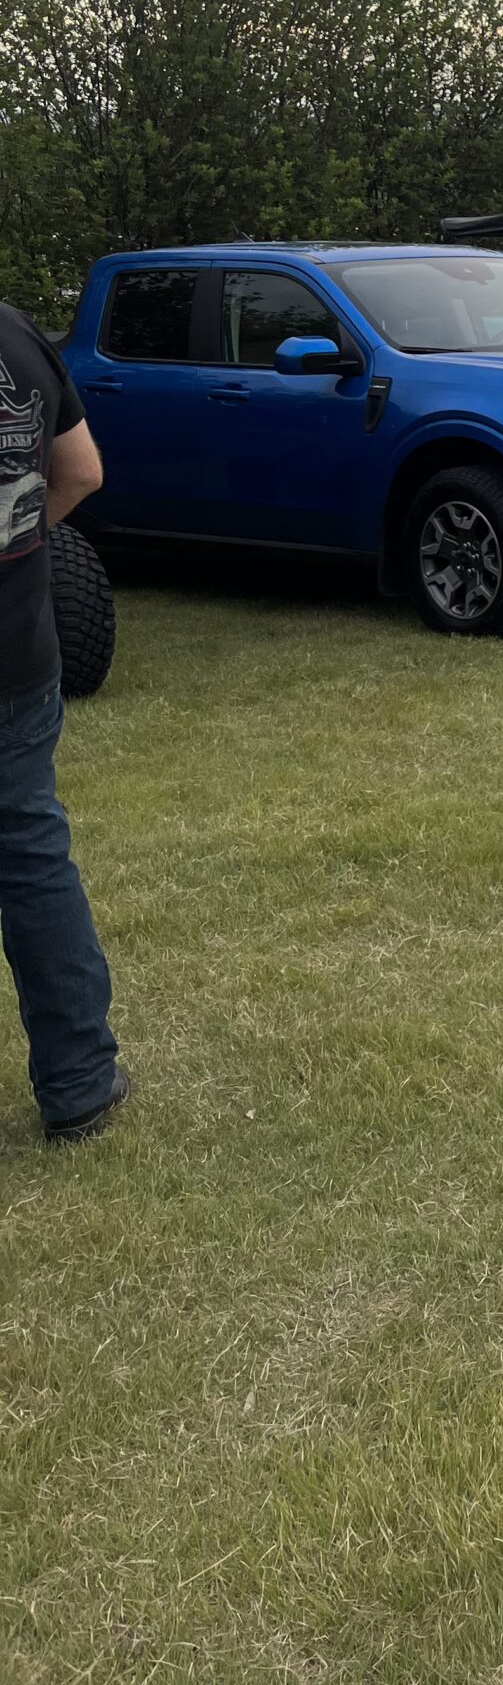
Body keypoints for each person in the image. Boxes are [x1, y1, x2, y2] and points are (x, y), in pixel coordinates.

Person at [0, 301, 127, 1142]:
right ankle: (79, 1084)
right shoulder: (15, 335)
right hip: (15, 653)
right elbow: (80, 471)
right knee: (30, 855)